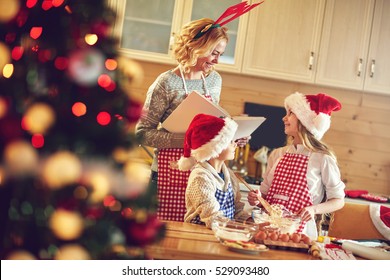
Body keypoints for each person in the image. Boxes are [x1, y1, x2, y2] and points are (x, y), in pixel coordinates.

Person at [135, 11, 253, 220]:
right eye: (214, 53)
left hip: (203, 175)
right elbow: (142, 134)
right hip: (168, 173)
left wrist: (229, 135)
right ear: (196, 47)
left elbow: (210, 126)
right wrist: (185, 139)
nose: (217, 60)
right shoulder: (165, 83)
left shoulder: (215, 80)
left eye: (221, 53)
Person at [247, 92, 346, 239]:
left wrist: (314, 209)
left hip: (300, 234)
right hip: (267, 230)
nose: (284, 118)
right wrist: (257, 199)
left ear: (306, 121)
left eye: (290, 113)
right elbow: (265, 196)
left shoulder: (323, 158)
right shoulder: (277, 154)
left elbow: (338, 200)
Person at [177, 113, 250, 228]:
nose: (235, 145)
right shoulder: (200, 177)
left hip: (224, 233)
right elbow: (213, 217)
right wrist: (245, 228)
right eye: (230, 141)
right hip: (200, 236)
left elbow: (237, 212)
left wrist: (254, 222)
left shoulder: (230, 175)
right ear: (215, 148)